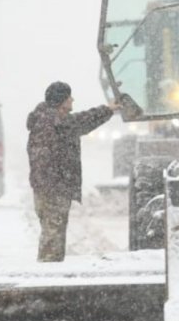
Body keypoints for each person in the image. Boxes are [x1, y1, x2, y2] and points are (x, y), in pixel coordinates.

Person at [26, 81, 120, 262]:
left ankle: (49, 276)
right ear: (61, 101)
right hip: (54, 188)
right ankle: (48, 280)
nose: (73, 100)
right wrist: (108, 109)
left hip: (43, 188)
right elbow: (83, 120)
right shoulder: (57, 123)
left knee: (50, 233)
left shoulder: (43, 120)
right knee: (52, 239)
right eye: (69, 97)